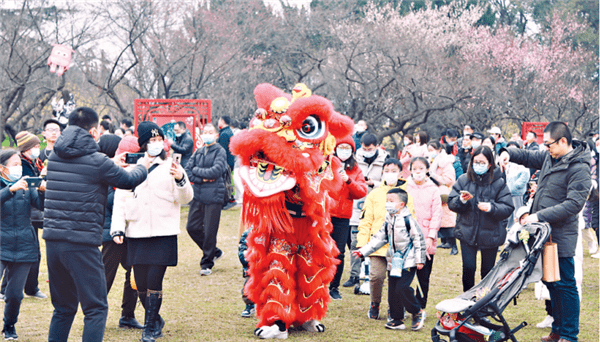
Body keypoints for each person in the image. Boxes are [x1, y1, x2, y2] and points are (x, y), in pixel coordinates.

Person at [43, 107, 148, 342]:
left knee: (63, 308)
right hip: (81, 243)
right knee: (96, 308)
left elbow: (85, 168)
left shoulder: (56, 156)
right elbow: (128, 180)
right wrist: (144, 165)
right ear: (93, 131)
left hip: (53, 242)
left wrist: (111, 162)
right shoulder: (98, 162)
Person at [498, 122, 591, 342]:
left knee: (565, 285)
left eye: (549, 144)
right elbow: (528, 157)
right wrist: (506, 153)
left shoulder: (579, 168)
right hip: (542, 235)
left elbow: (573, 205)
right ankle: (557, 330)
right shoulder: (551, 156)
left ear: (563, 141)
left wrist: (538, 216)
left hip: (561, 236)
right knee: (551, 283)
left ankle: (569, 335)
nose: (545, 148)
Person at [111, 122, 193, 342]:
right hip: (137, 231)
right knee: (139, 284)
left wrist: (180, 180)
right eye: (151, 141)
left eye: (159, 140)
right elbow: (120, 199)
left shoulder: (171, 166)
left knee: (154, 281)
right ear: (143, 144)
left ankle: (149, 329)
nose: (156, 144)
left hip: (163, 232)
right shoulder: (131, 168)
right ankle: (155, 319)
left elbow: (186, 198)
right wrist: (117, 227)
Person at [353, 188, 426, 331]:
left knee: (403, 287)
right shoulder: (389, 220)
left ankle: (417, 311)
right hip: (394, 261)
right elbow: (379, 238)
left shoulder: (408, 221)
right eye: (387, 201)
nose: (388, 204)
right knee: (393, 290)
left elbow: (419, 240)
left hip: (408, 261)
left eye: (391, 201)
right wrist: (363, 251)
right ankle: (396, 319)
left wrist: (419, 259)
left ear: (402, 204)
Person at [447, 146, 514, 292]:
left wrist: (491, 208)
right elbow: (451, 202)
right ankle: (467, 301)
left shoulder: (499, 182)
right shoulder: (464, 180)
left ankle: (483, 304)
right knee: (469, 268)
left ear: (490, 164)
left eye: (482, 162)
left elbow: (508, 207)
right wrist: (461, 200)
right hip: (467, 230)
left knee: (487, 272)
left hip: (491, 233)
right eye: (476, 161)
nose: (478, 165)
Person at [356, 158, 414, 320]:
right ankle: (374, 303)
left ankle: (394, 308)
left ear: (401, 173)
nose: (390, 174)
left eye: (394, 171)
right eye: (387, 171)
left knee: (396, 279)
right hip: (377, 244)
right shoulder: (374, 194)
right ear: (382, 172)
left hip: (399, 246)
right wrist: (362, 244)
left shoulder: (406, 195)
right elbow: (366, 220)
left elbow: (412, 219)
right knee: (376, 276)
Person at [98, 135, 144, 330]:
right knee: (105, 276)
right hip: (111, 233)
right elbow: (108, 201)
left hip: (133, 231)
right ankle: (95, 314)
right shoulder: (110, 170)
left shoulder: (140, 172)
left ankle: (128, 315)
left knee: (133, 275)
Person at [0, 149, 45, 340]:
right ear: (2, 169)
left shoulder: (27, 186)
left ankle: (9, 325)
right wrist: (11, 190)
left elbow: (41, 206)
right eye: (14, 165)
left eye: (20, 164)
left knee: (15, 294)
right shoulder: (10, 186)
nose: (19, 168)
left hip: (25, 244)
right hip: (1, 242)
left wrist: (43, 191)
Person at [344, 133, 389, 288]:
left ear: (376, 147)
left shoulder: (384, 160)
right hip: (358, 204)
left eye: (369, 149)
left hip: (377, 202)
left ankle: (375, 275)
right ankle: (354, 275)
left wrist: (373, 184)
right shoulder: (355, 159)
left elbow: (387, 182)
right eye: (363, 148)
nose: (366, 151)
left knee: (377, 240)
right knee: (355, 240)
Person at [185, 123, 228, 276]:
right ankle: (214, 252)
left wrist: (197, 173)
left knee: (210, 230)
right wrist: (202, 178)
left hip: (214, 195)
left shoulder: (220, 151)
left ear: (216, 135)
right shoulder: (199, 151)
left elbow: (216, 171)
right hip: (198, 194)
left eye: (210, 132)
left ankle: (206, 263)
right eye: (205, 132)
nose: (207, 134)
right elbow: (188, 171)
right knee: (192, 227)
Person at [328, 135, 368, 300]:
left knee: (339, 253)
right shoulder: (327, 164)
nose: (343, 151)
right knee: (320, 250)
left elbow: (361, 192)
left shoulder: (355, 169)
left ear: (352, 151)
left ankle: (334, 287)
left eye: (347, 148)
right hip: (325, 213)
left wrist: (348, 181)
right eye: (340, 147)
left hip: (343, 216)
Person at [14, 131, 48, 299]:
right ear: (26, 148)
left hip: (32, 212)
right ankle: (24, 288)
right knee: (28, 252)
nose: (37, 148)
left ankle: (30, 287)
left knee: (33, 252)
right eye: (34, 146)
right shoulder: (20, 164)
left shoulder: (33, 162)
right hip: (25, 213)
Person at [405, 157, 442, 310]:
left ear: (427, 169)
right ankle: (406, 304)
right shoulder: (405, 187)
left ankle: (421, 306)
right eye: (415, 169)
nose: (418, 172)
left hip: (427, 236)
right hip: (407, 236)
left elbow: (437, 214)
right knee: (405, 275)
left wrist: (431, 236)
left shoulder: (433, 189)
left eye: (421, 168)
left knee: (423, 276)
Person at [427, 141, 459, 255]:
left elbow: (449, 180)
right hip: (434, 194)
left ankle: (454, 246)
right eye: (429, 150)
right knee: (438, 222)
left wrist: (434, 176)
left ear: (439, 149)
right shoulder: (432, 162)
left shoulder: (445, 163)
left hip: (444, 194)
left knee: (448, 223)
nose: (430, 153)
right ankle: (445, 243)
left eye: (432, 150)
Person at [504, 141, 529, 228]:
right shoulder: (509, 163)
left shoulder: (521, 162)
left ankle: (518, 228)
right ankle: (510, 228)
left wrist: (516, 186)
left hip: (518, 192)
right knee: (511, 211)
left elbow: (525, 175)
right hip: (509, 191)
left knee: (518, 212)